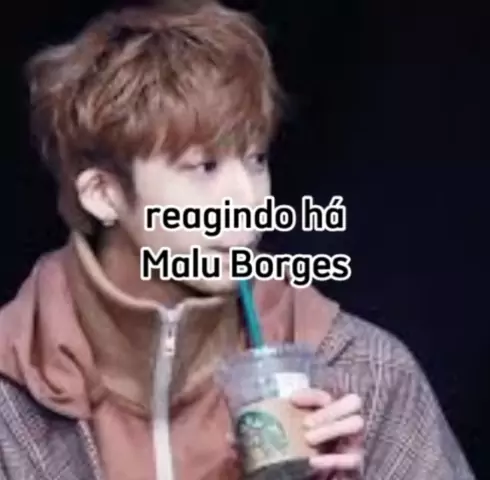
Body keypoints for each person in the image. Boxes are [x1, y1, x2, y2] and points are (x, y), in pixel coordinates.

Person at [0, 3, 475, 480]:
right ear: (103, 194)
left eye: (256, 160)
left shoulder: (364, 374)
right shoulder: (11, 397)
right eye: (204, 167)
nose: (249, 200)